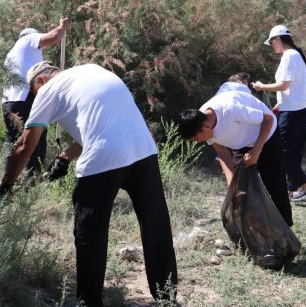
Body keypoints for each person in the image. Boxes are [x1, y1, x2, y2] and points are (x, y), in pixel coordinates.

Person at [0, 62, 177, 306]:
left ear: (38, 82)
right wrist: (64, 158)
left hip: (103, 161)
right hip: (143, 150)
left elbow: (23, 147)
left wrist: (7, 186)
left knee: (89, 234)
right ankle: (166, 297)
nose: (35, 99)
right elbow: (103, 126)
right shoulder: (93, 70)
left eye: (33, 94)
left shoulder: (48, 91)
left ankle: (89, 303)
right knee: (155, 225)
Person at [178, 90, 293, 227]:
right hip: (241, 143)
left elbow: (268, 119)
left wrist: (256, 150)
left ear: (206, 126)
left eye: (197, 139)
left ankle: (285, 231)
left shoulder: (231, 110)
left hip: (266, 136)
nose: (198, 142)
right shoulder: (202, 121)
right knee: (241, 189)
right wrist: (232, 184)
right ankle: (253, 230)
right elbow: (224, 154)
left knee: (274, 183)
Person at [252, 25, 306, 202]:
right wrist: (279, 105)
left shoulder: (289, 56)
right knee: (293, 152)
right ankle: (290, 190)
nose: (272, 46)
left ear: (278, 39)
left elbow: (284, 85)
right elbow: (295, 88)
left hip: (294, 112)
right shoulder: (296, 55)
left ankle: (305, 185)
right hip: (300, 110)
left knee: (282, 151)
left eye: (272, 42)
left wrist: (261, 86)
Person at [2, 18, 70, 175]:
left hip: (8, 103)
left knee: (13, 141)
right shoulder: (27, 40)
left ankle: (9, 180)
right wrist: (62, 27)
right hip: (26, 98)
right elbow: (53, 36)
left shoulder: (11, 55)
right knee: (35, 140)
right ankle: (31, 182)